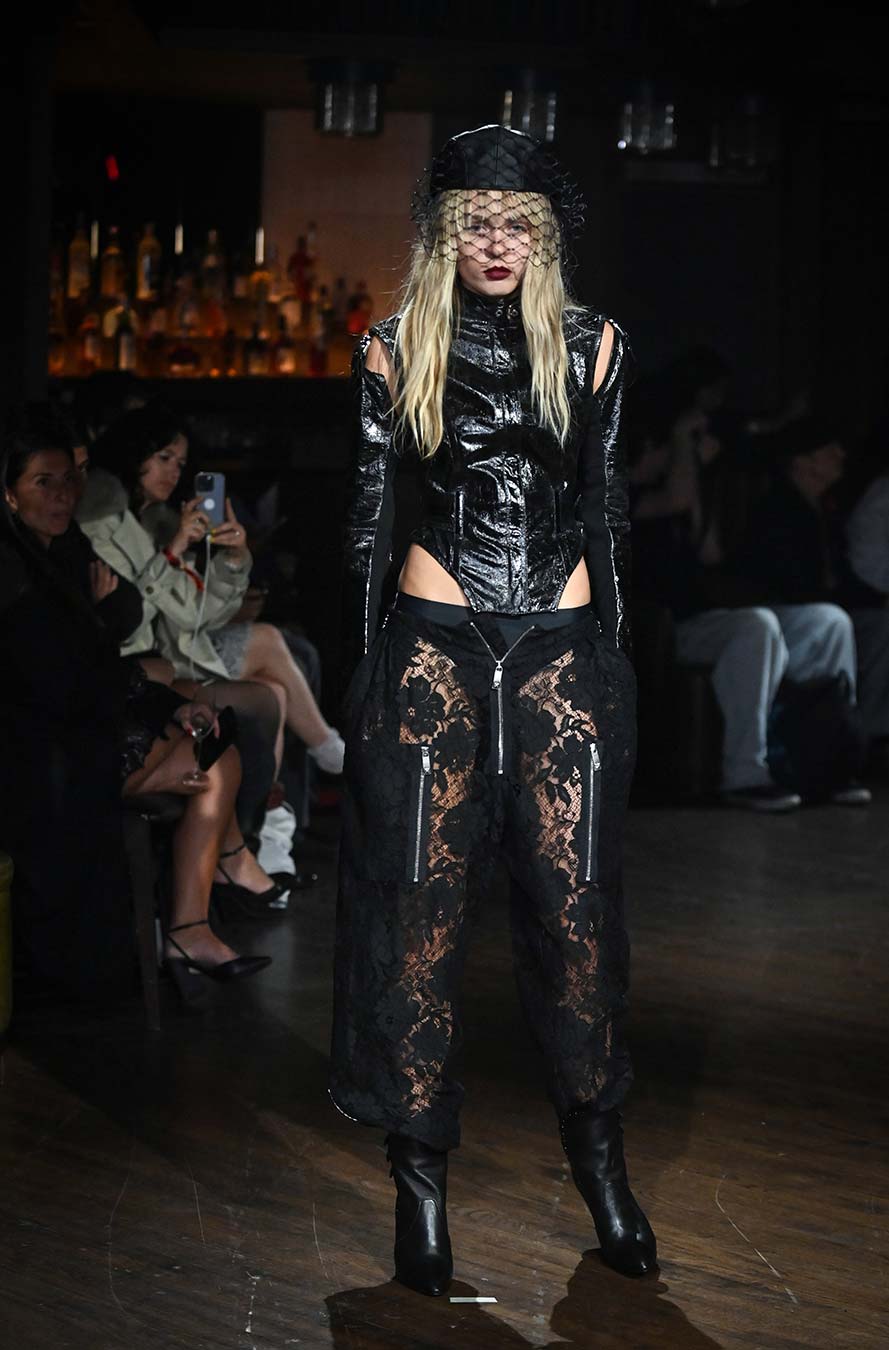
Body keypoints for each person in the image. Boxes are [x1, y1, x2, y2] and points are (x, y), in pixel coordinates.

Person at [330, 124, 656, 1295]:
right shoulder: (391, 346)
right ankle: (419, 1192)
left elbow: (607, 511)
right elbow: (369, 518)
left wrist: (613, 663)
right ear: (445, 235)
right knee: (417, 915)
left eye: (517, 224)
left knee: (575, 918)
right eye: (475, 223)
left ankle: (602, 1172)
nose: (497, 242)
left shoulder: (595, 344)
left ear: (545, 237)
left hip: (560, 647)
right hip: (434, 640)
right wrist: (362, 674)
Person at [0, 420, 275, 999]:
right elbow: (62, 675)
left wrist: (167, 705)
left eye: (70, 479)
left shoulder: (67, 549)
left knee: (215, 739)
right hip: (43, 749)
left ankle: (193, 925)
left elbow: (115, 634)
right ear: (10, 493)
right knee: (212, 747)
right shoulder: (17, 568)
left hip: (85, 715)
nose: (62, 494)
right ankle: (205, 904)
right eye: (44, 482)